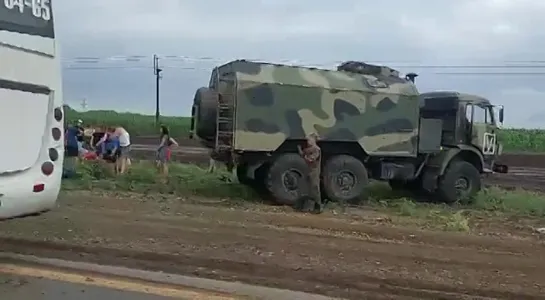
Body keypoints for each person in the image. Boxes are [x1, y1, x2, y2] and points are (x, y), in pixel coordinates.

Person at [297, 133, 323, 214]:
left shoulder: (316, 149)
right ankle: (308, 207)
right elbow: (303, 154)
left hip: (314, 171)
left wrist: (304, 156)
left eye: (309, 140)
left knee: (315, 189)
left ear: (313, 140)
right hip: (309, 170)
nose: (308, 142)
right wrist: (300, 150)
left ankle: (318, 207)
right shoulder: (308, 149)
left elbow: (311, 159)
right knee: (308, 189)